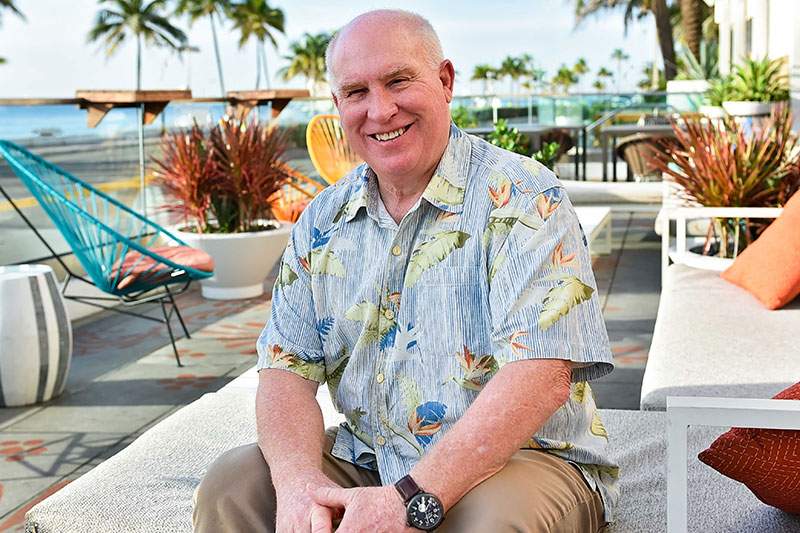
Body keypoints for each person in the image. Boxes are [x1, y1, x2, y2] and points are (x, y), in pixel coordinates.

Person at [194, 9, 618, 533]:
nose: (380, 109)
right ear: (336, 106)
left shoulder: (524, 197)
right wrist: (299, 486)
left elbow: (541, 378)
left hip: (522, 461)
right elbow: (285, 371)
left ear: (444, 81)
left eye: (398, 81)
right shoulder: (322, 220)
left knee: (491, 523)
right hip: (371, 457)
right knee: (233, 485)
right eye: (356, 92)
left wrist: (409, 501)